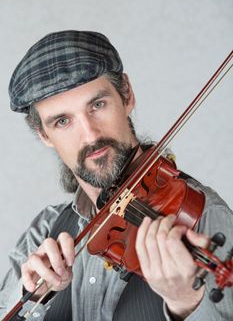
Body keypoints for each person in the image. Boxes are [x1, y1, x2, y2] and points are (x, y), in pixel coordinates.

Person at [0, 30, 232, 321]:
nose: (90, 135)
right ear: (44, 135)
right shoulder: (44, 229)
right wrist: (28, 297)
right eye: (63, 121)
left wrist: (185, 303)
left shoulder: (202, 214)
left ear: (127, 94)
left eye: (97, 105)